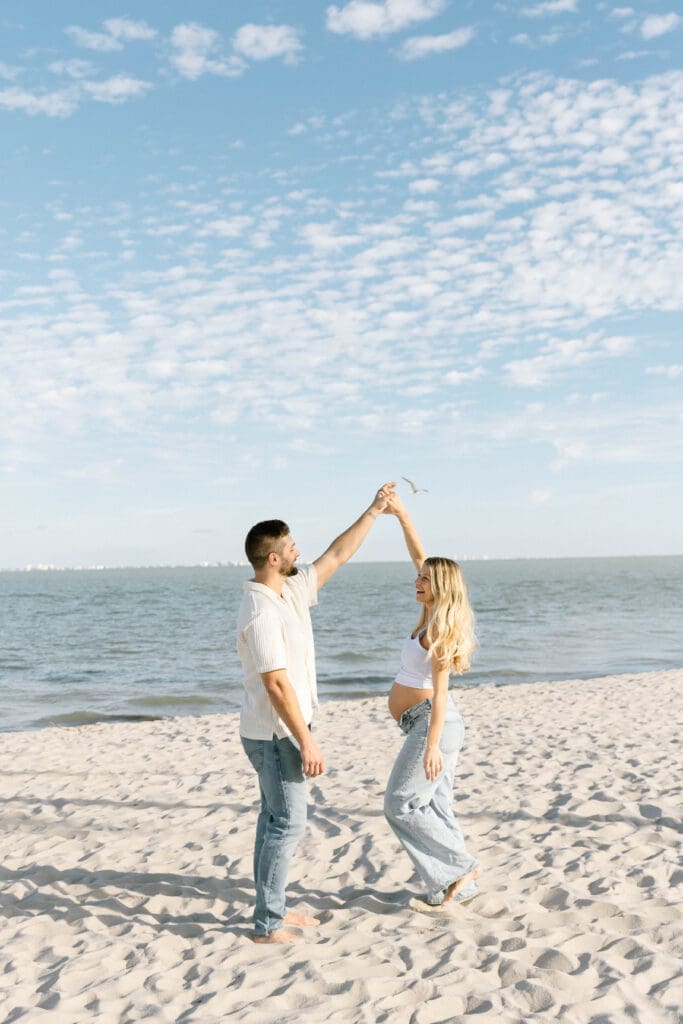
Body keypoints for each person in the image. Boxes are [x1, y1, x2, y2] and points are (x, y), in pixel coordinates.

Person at [237, 482, 396, 943]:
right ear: (273, 558)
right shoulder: (261, 609)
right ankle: (268, 924)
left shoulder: (289, 588)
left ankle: (275, 911)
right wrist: (306, 739)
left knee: (273, 822)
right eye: (290, 546)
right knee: (286, 824)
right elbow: (275, 682)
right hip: (275, 735)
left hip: (278, 730)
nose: (297, 550)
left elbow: (336, 555)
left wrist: (374, 509)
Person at [383, 492, 480, 909]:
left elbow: (442, 694)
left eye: (424, 579)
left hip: (433, 722)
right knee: (437, 807)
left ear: (438, 588)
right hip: (426, 722)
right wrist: (402, 514)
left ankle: (461, 866)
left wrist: (431, 745)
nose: (416, 581)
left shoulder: (439, 628)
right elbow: (421, 556)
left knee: (400, 804)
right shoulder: (430, 611)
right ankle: (457, 886)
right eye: (419, 576)